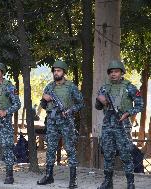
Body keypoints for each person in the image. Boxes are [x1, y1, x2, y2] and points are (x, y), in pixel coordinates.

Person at [95, 60, 144, 189]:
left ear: (121, 72)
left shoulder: (130, 87)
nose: (113, 74)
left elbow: (140, 105)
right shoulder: (104, 87)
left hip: (122, 125)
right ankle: (107, 182)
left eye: (116, 71)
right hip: (108, 125)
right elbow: (98, 107)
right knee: (108, 153)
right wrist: (100, 101)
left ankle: (130, 183)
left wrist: (128, 113)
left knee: (126, 154)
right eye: (111, 72)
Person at [37, 60, 84, 189]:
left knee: (70, 149)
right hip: (52, 122)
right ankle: (48, 176)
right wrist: (45, 100)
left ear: (64, 72)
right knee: (50, 149)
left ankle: (73, 179)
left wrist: (70, 111)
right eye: (54, 71)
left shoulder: (71, 87)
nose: (56, 73)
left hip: (66, 122)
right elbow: (43, 104)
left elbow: (80, 103)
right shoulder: (49, 87)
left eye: (58, 71)